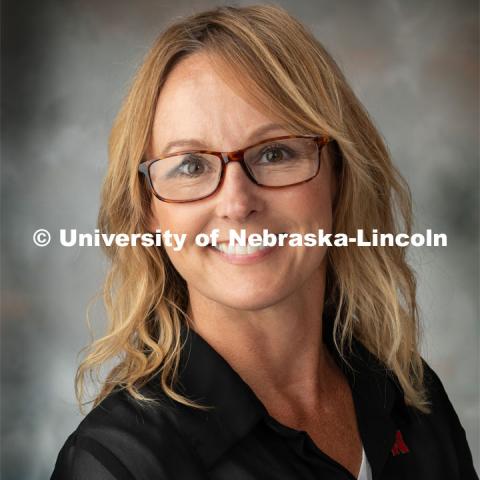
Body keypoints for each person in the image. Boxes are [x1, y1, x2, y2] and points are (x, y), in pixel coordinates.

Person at [50, 5, 477, 480]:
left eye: (275, 153)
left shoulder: (414, 399)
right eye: (190, 165)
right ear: (149, 210)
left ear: (338, 176)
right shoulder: (119, 463)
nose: (237, 202)